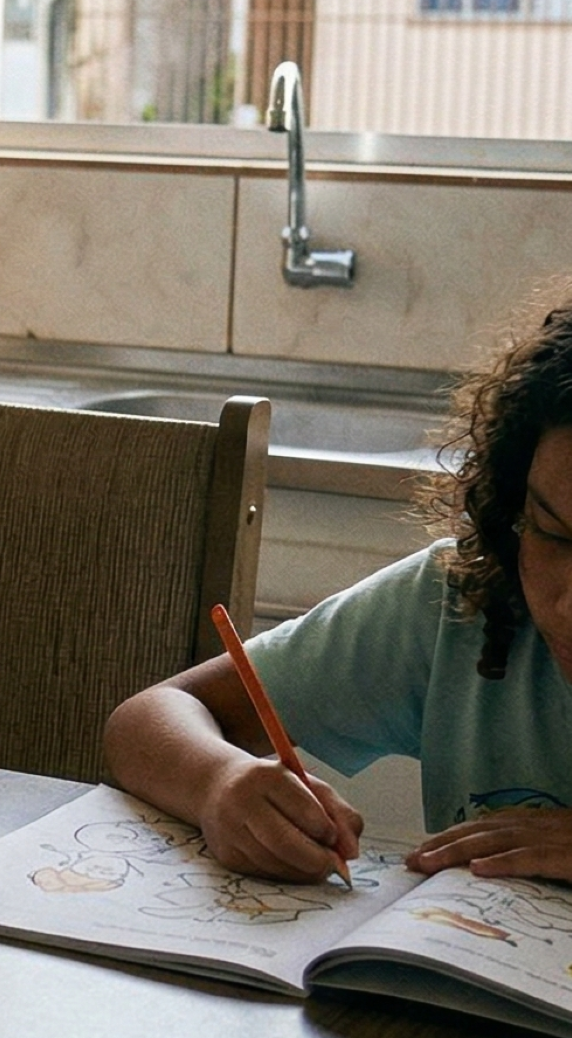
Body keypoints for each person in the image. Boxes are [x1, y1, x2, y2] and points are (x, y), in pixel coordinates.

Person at [107, 300, 572, 886]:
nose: (566, 605)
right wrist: (218, 782)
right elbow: (146, 721)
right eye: (553, 533)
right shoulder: (466, 607)